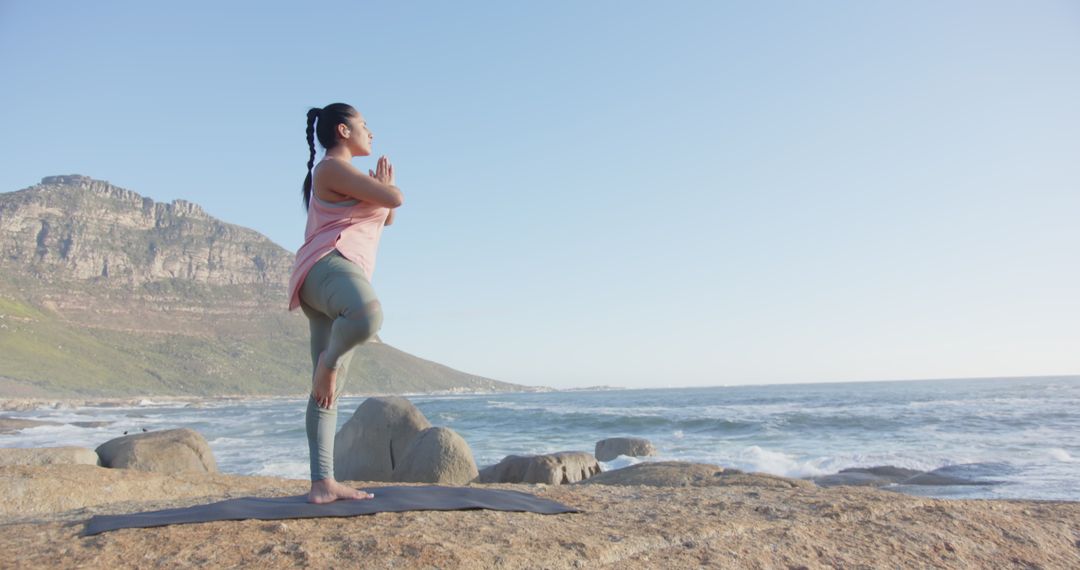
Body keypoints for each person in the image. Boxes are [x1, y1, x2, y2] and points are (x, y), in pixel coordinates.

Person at [286, 103, 404, 504]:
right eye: (365, 126)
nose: (371, 133)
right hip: (330, 268)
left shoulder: (346, 176)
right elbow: (396, 199)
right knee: (368, 316)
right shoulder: (331, 168)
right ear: (343, 130)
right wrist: (387, 188)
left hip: (328, 279)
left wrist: (382, 193)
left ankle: (323, 483)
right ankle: (329, 363)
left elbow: (385, 216)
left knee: (325, 391)